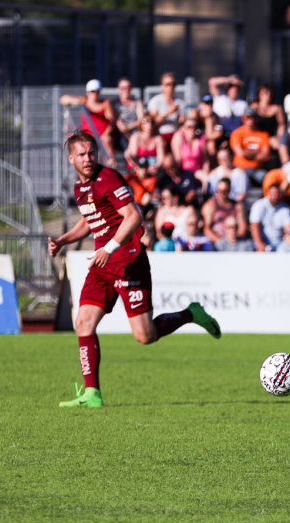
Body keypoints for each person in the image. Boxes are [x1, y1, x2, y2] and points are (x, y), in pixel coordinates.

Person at [47, 131, 220, 408]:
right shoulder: (80, 188)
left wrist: (109, 248)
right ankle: (92, 394)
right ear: (71, 159)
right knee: (83, 323)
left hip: (128, 261)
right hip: (102, 264)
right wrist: (63, 240)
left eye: (91, 153)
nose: (88, 159)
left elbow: (133, 217)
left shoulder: (109, 178)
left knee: (144, 336)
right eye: (82, 155)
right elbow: (88, 221)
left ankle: (190, 313)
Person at [59, 79, 118, 167]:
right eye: (92, 91)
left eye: (97, 92)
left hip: (103, 136)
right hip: (88, 135)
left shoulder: (105, 104)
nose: (94, 94)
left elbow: (111, 122)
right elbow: (63, 99)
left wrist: (105, 134)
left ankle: (111, 163)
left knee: (107, 140)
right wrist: (77, 102)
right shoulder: (84, 102)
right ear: (88, 92)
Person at [124, 116, 165, 207]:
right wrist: (140, 169)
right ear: (141, 124)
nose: (149, 123)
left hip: (152, 173)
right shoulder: (136, 137)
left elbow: (161, 159)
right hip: (137, 171)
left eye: (151, 121)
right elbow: (132, 156)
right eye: (145, 121)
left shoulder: (158, 139)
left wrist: (153, 167)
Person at [229, 107, 273, 184]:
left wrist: (248, 154)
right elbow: (240, 153)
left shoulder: (263, 134)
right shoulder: (236, 133)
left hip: (258, 168)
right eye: (248, 117)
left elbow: (266, 154)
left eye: (253, 117)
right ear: (243, 118)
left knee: (269, 179)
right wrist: (258, 152)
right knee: (240, 177)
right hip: (241, 168)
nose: (251, 120)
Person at [250, 184, 290, 252]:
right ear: (267, 193)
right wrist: (259, 243)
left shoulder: (285, 208)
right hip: (262, 240)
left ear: (280, 195)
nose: (274, 195)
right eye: (272, 193)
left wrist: (288, 236)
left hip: (279, 241)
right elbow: (254, 226)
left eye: (276, 193)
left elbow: (288, 228)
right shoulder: (259, 205)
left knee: (289, 247)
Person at [201, 178, 246, 243]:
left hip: (235, 241)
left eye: (225, 191)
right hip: (216, 241)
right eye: (220, 191)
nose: (222, 194)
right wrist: (221, 243)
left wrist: (235, 241)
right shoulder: (211, 205)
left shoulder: (237, 206)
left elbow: (242, 227)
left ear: (229, 190)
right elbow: (207, 229)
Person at [147, 72, 186, 145]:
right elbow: (152, 123)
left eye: (173, 84)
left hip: (176, 135)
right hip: (159, 135)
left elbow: (182, 123)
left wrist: (183, 121)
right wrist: (167, 113)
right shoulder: (155, 101)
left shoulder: (180, 103)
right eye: (168, 84)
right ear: (162, 86)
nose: (171, 86)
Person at [171, 111, 208, 177]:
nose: (192, 129)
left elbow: (205, 160)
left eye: (195, 127)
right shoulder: (179, 138)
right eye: (189, 127)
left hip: (198, 172)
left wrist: (206, 172)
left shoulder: (201, 139)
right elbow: (178, 160)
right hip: (184, 172)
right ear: (184, 127)